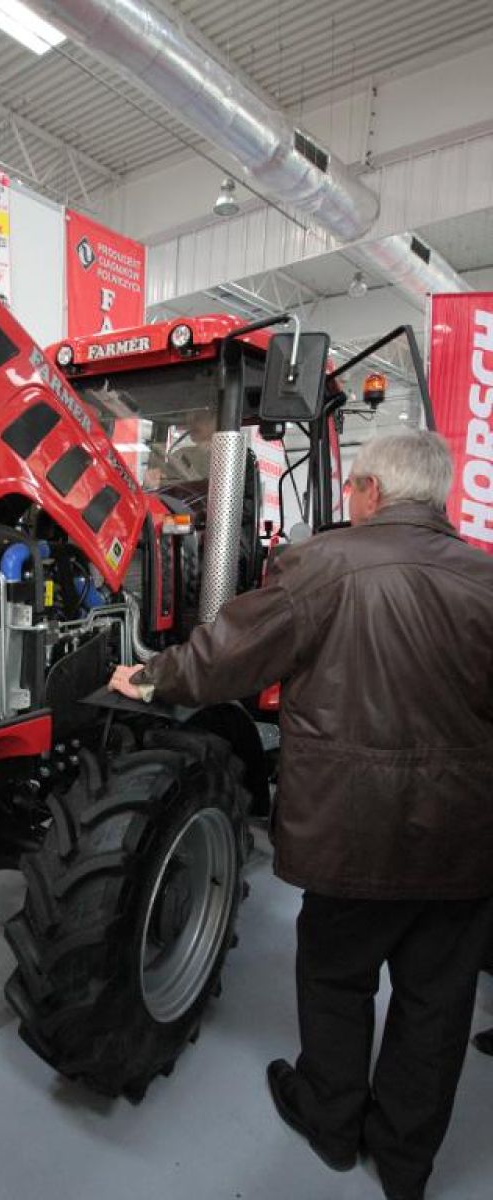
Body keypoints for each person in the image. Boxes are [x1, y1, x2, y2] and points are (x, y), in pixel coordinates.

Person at [109, 431, 493, 1200]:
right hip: (463, 839)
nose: (347, 498)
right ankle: (406, 1163)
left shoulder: (324, 565)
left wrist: (147, 680)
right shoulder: (488, 578)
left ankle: (329, 1122)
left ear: (372, 491)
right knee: (436, 1003)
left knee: (335, 981)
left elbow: (226, 657)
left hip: (352, 831)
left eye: (352, 487)